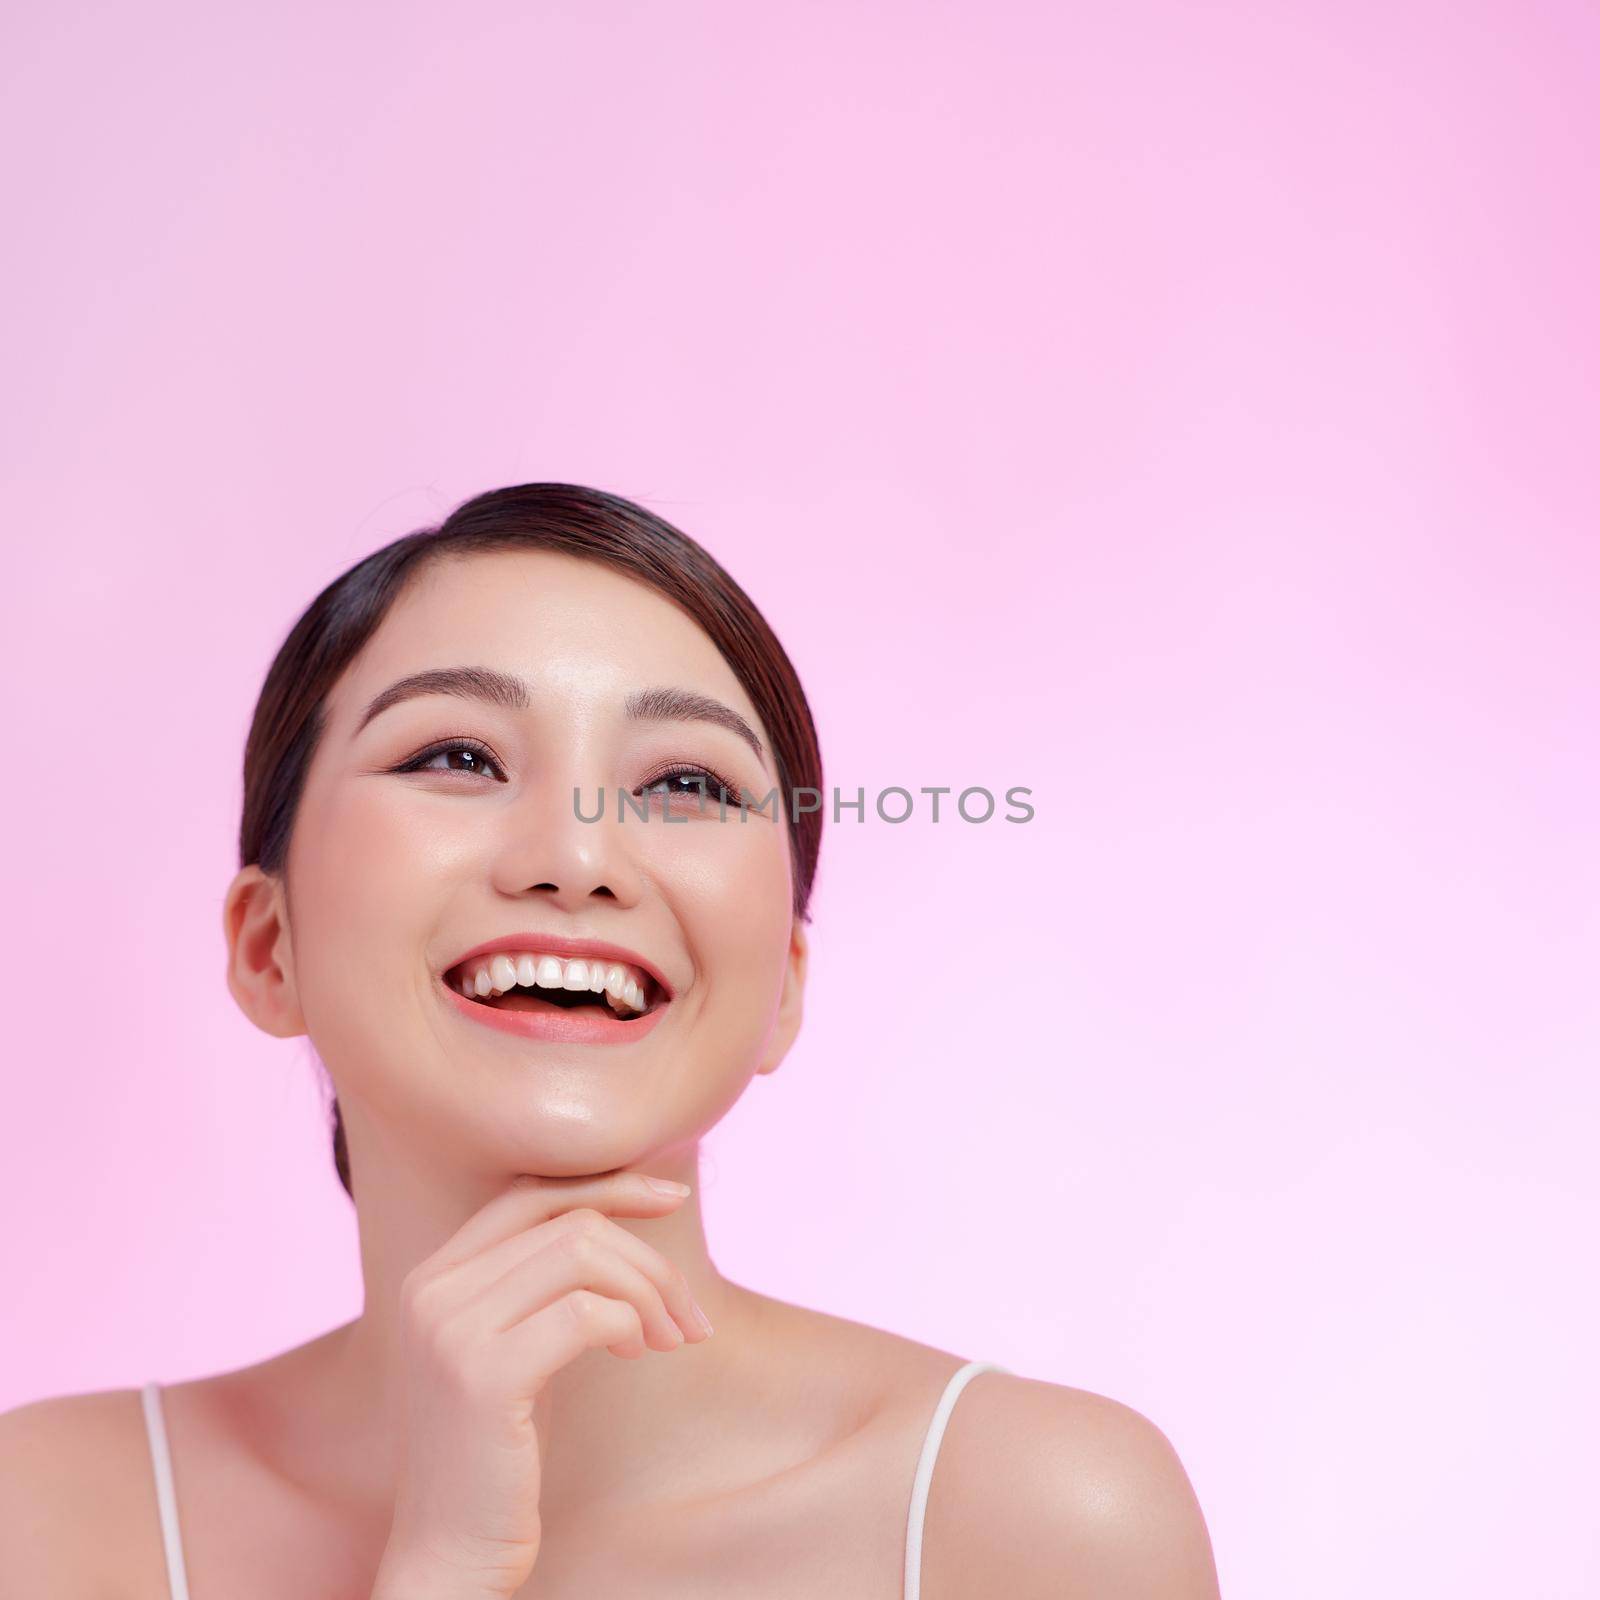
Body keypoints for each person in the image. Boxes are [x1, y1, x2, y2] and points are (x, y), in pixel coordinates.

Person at [0, 483, 1220, 1597]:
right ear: (270, 946)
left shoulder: (1038, 1521)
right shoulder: (46, 1521)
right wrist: (441, 1567)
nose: (577, 861)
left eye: (686, 784)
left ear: (784, 987)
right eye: (458, 756)